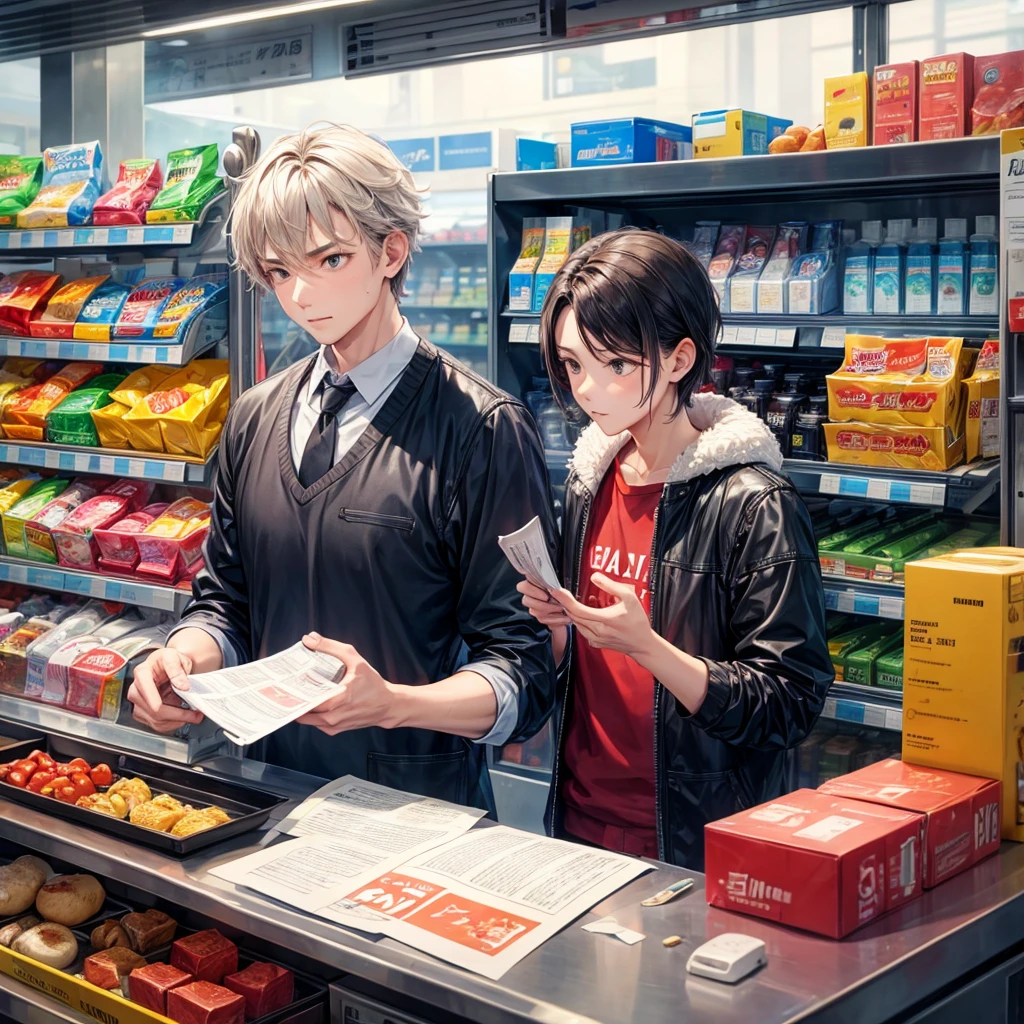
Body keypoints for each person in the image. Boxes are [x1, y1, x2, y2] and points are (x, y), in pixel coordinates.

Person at [128, 123, 557, 811]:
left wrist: (392, 703)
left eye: (328, 260)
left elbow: (525, 673)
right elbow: (226, 605)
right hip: (260, 798)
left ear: (392, 250)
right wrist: (183, 659)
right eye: (278, 272)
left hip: (420, 817)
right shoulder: (255, 416)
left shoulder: (481, 429)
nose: (299, 295)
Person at [517, 228, 833, 868]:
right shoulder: (590, 479)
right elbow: (585, 672)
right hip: (577, 819)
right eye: (573, 364)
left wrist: (648, 646)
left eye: (615, 365)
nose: (585, 388)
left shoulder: (754, 503)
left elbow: (788, 704)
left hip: (696, 839)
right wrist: (559, 630)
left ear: (681, 358)